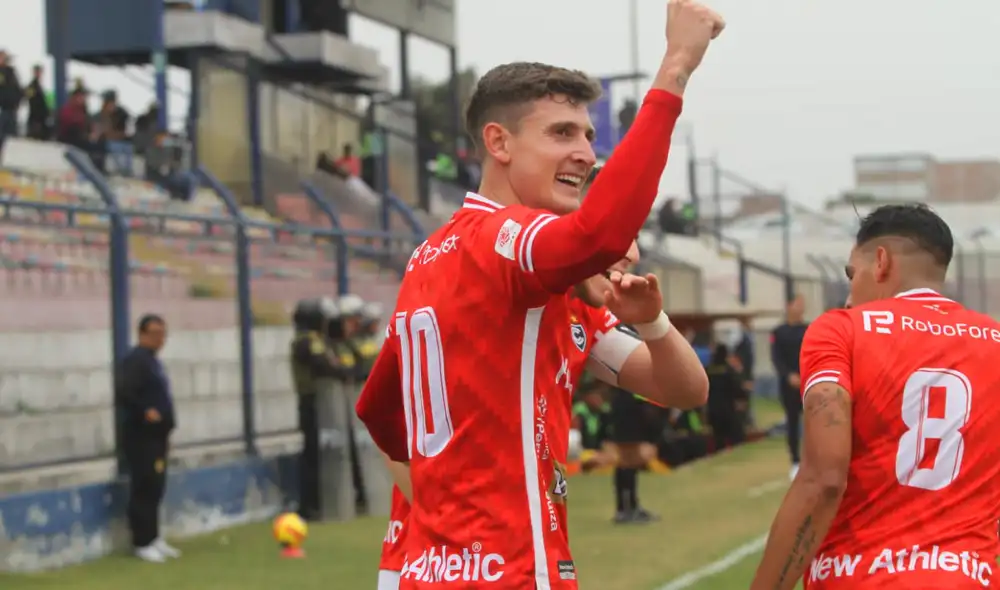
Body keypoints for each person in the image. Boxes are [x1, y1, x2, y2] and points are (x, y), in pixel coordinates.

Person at [355, 3, 724, 586]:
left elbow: (684, 389)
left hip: (420, 568)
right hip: (505, 569)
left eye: (588, 134)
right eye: (561, 133)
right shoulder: (503, 240)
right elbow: (600, 233)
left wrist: (652, 322)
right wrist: (675, 66)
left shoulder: (435, 258)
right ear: (498, 142)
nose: (586, 152)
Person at [751, 203, 1000, 589]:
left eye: (853, 275)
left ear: (880, 262)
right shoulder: (995, 342)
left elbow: (824, 479)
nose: (850, 296)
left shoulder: (840, 330)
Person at [116, 314, 181, 563]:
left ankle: (153, 537)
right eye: (155, 334)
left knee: (156, 487)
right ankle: (141, 541)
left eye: (163, 334)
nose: (160, 339)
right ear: (142, 334)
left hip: (157, 437)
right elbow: (125, 392)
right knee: (143, 486)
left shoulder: (152, 361)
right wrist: (146, 411)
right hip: (141, 437)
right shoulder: (135, 361)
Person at [290, 297, 344, 520]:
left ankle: (321, 502)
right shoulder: (306, 341)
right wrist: (344, 370)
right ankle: (309, 506)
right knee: (313, 454)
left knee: (323, 453)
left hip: (322, 402)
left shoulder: (317, 340)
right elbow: (324, 366)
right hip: (312, 402)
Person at [771, 293, 808, 479]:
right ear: (789, 305)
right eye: (798, 304)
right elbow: (776, 358)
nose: (801, 308)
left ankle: (813, 459)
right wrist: (788, 376)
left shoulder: (809, 329)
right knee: (792, 422)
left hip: (807, 382)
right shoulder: (779, 332)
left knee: (812, 423)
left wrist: (805, 374)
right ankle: (795, 461)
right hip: (788, 386)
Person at [704, 343, 747, 450]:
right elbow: (737, 387)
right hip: (727, 409)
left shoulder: (708, 369)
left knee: (718, 436)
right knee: (736, 435)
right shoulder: (728, 370)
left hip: (712, 409)